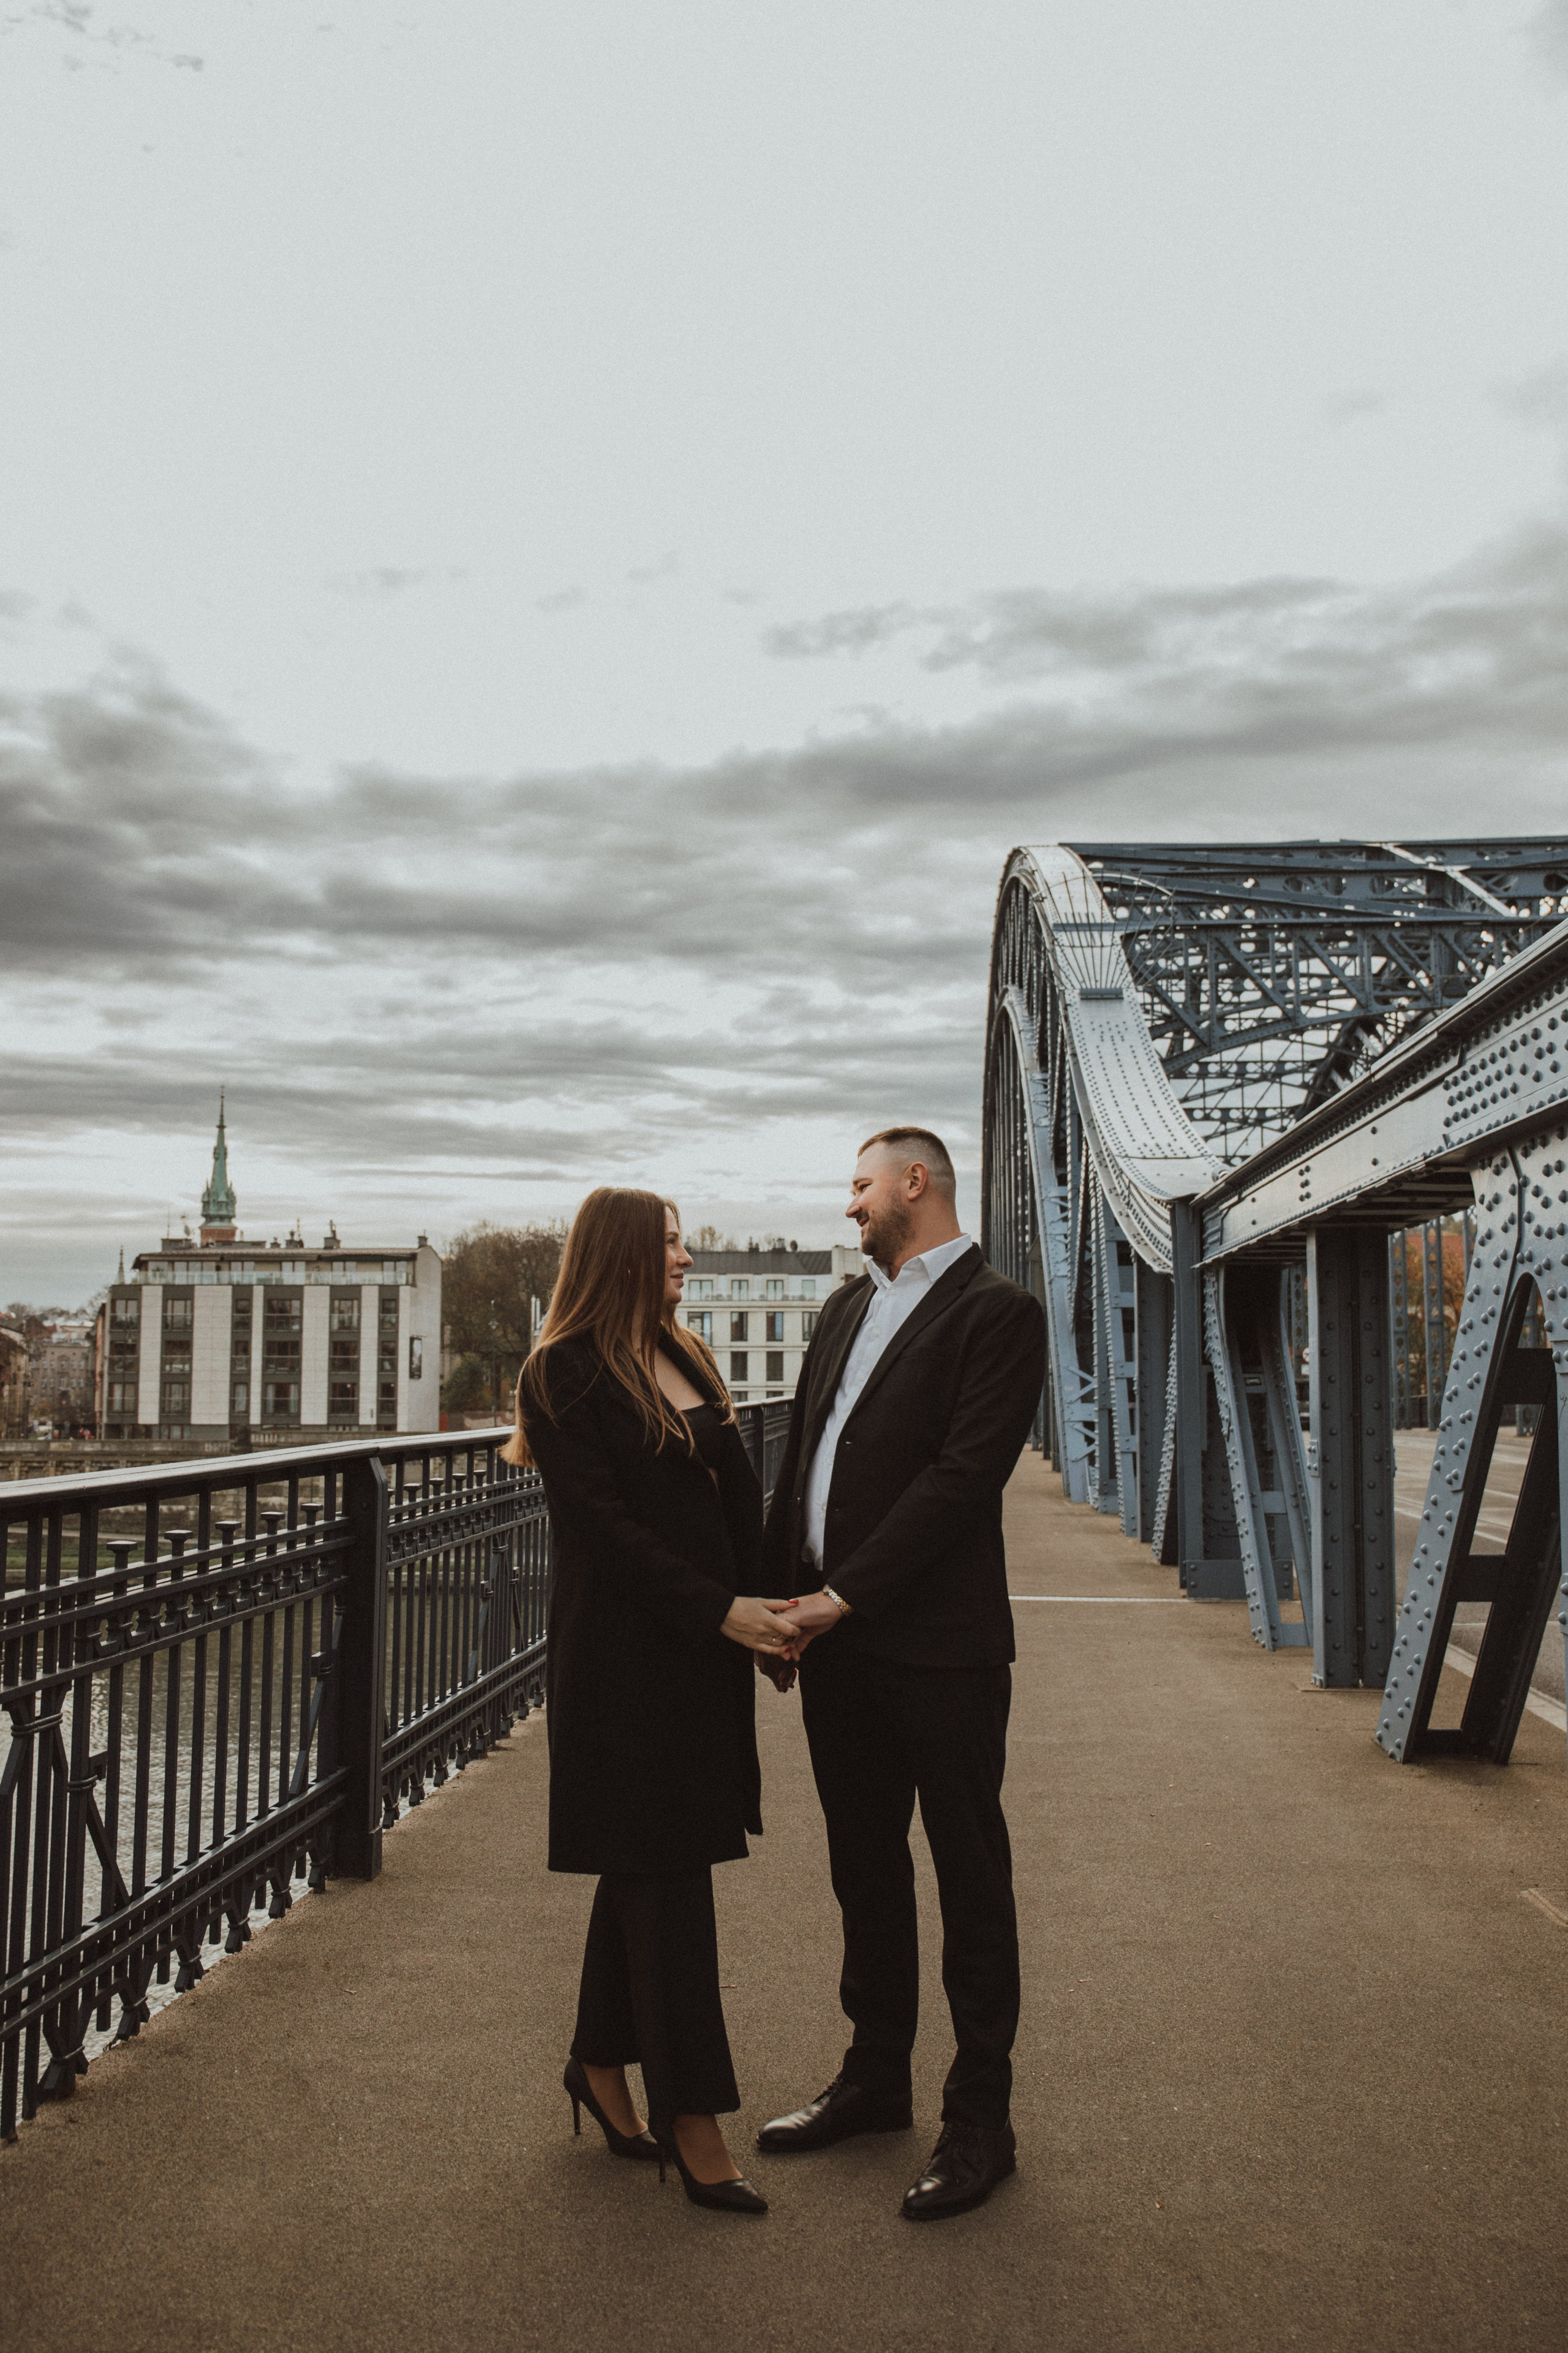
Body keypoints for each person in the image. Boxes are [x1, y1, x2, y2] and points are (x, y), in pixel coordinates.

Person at [756, 1127, 1046, 2221]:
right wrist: (787, 1600)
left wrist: (847, 1593)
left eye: (862, 1186)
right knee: (863, 1867)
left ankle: (981, 2123)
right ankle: (877, 2078)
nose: (852, 1207)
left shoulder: (997, 1313)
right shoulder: (845, 1306)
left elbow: (962, 1479)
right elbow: (806, 1458)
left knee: (972, 1878)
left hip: (942, 1650)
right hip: (838, 1647)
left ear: (914, 1184)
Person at [505, 1186, 796, 2215]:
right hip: (624, 1671)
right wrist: (724, 1611)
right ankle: (692, 2118)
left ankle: (596, 2060)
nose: (686, 1257)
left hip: (700, 1661)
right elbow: (610, 1535)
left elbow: (729, 1497)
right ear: (623, 1253)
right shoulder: (563, 1373)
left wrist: (765, 1620)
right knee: (670, 1888)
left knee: (645, 1864)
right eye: (671, 1243)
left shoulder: (682, 1352)